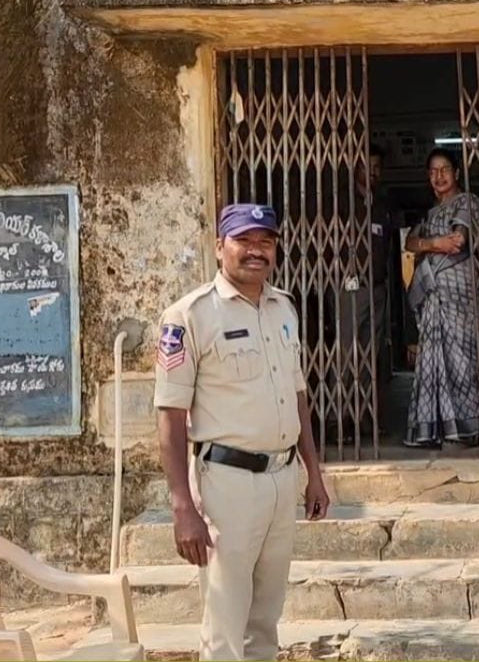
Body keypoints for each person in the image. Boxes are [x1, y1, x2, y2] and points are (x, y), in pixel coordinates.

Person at [154, 203, 329, 661]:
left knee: (265, 619)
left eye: (265, 241)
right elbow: (170, 414)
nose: (256, 250)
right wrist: (182, 506)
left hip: (281, 480)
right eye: (244, 241)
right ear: (219, 247)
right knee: (225, 624)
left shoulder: (283, 307)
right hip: (226, 486)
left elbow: (297, 395)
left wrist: (313, 473)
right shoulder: (189, 316)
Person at [402, 148, 479, 448]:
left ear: (457, 173)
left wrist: (427, 245)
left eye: (445, 169)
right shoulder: (429, 214)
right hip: (434, 297)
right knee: (432, 361)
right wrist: (436, 241)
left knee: (461, 361)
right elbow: (410, 242)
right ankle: (433, 429)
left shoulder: (467, 202)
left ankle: (466, 428)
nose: (439, 176)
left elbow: (459, 241)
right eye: (433, 171)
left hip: (459, 296)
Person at [339, 145, 393, 433]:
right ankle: (338, 420)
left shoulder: (381, 207)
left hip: (377, 287)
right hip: (350, 289)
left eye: (376, 168)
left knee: (371, 354)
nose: (372, 173)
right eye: (365, 167)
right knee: (347, 353)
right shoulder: (342, 204)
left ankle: (365, 417)